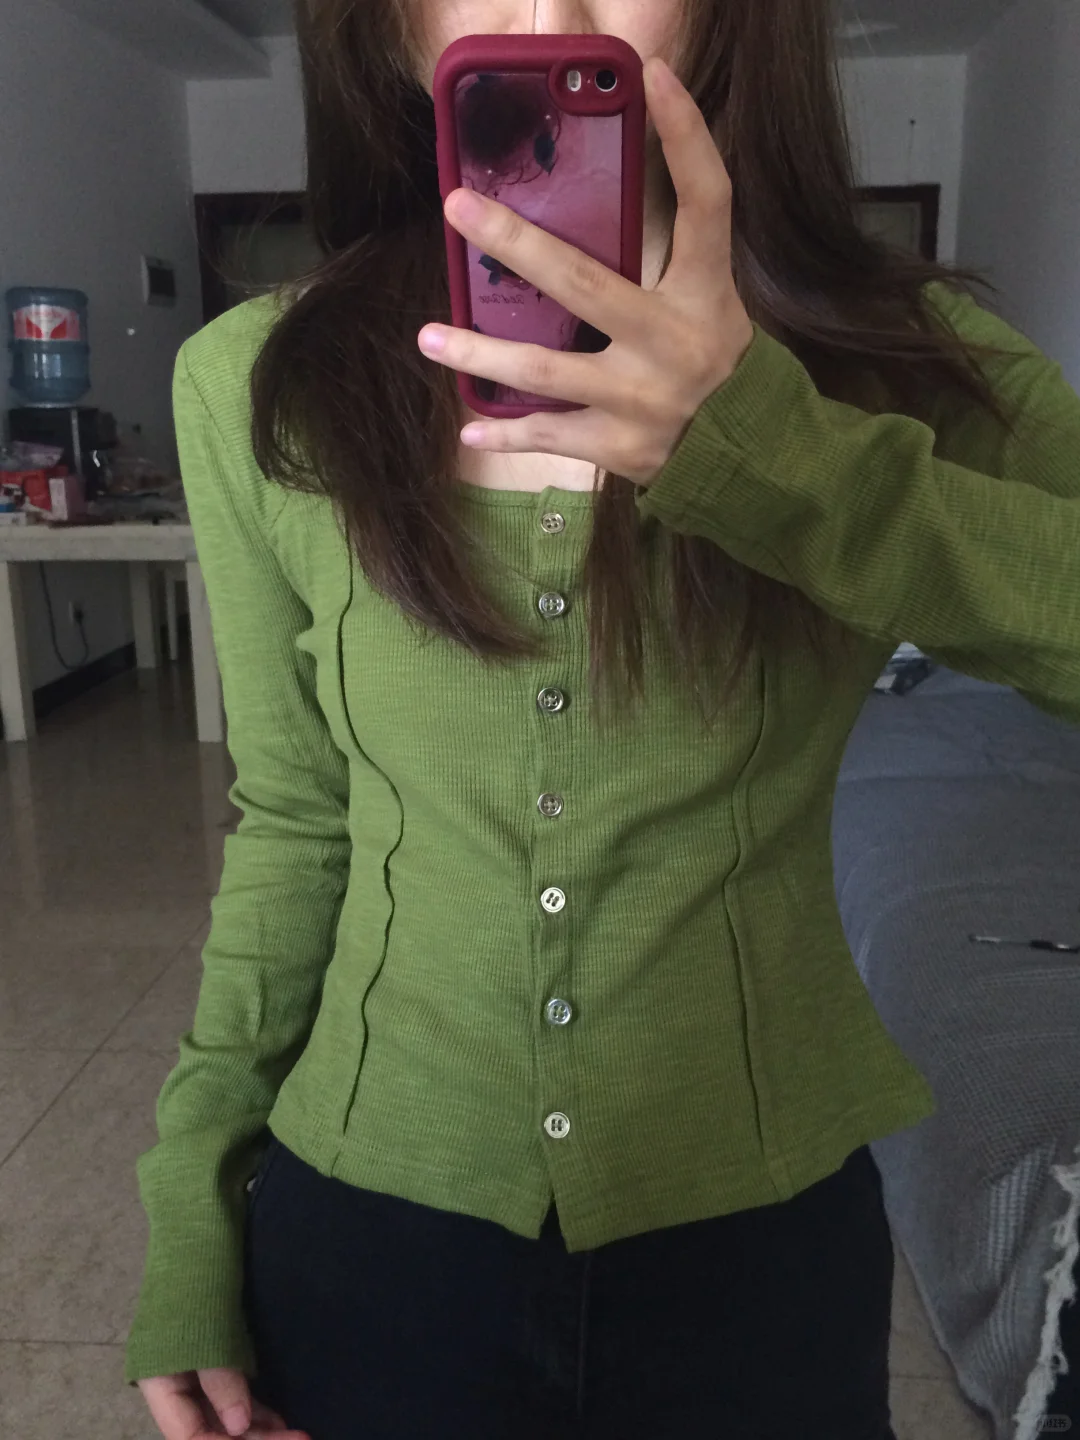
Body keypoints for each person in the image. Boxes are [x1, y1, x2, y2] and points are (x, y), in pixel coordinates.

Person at [128, 1, 1080, 1437]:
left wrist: (772, 454)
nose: (547, 15)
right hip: (370, 1235)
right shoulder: (254, 381)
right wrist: (192, 1211)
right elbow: (295, 827)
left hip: (760, 1250)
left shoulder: (906, 360)